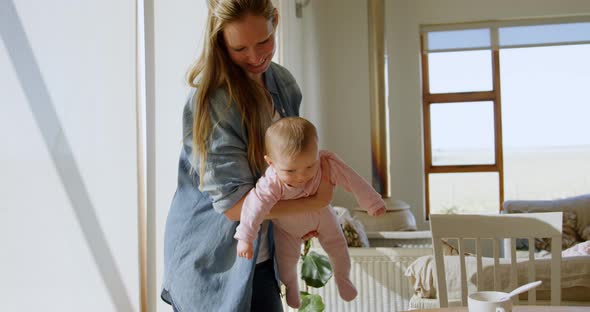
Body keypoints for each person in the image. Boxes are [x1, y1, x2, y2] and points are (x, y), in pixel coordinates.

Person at [161, 1, 333, 311]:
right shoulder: (213, 100)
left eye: (264, 41)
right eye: (240, 48)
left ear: (275, 21)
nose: (255, 57)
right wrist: (315, 203)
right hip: (213, 264)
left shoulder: (282, 83)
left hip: (260, 258)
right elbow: (233, 206)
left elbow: (287, 166)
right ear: (220, 42)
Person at [234, 117, 386, 308]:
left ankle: (342, 278)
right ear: (271, 162)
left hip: (322, 217)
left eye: (310, 166)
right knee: (286, 261)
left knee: (337, 245)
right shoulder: (271, 182)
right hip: (287, 228)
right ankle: (290, 286)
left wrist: (372, 202)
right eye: (290, 171)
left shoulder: (325, 164)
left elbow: (352, 180)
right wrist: (245, 237)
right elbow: (253, 207)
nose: (302, 176)